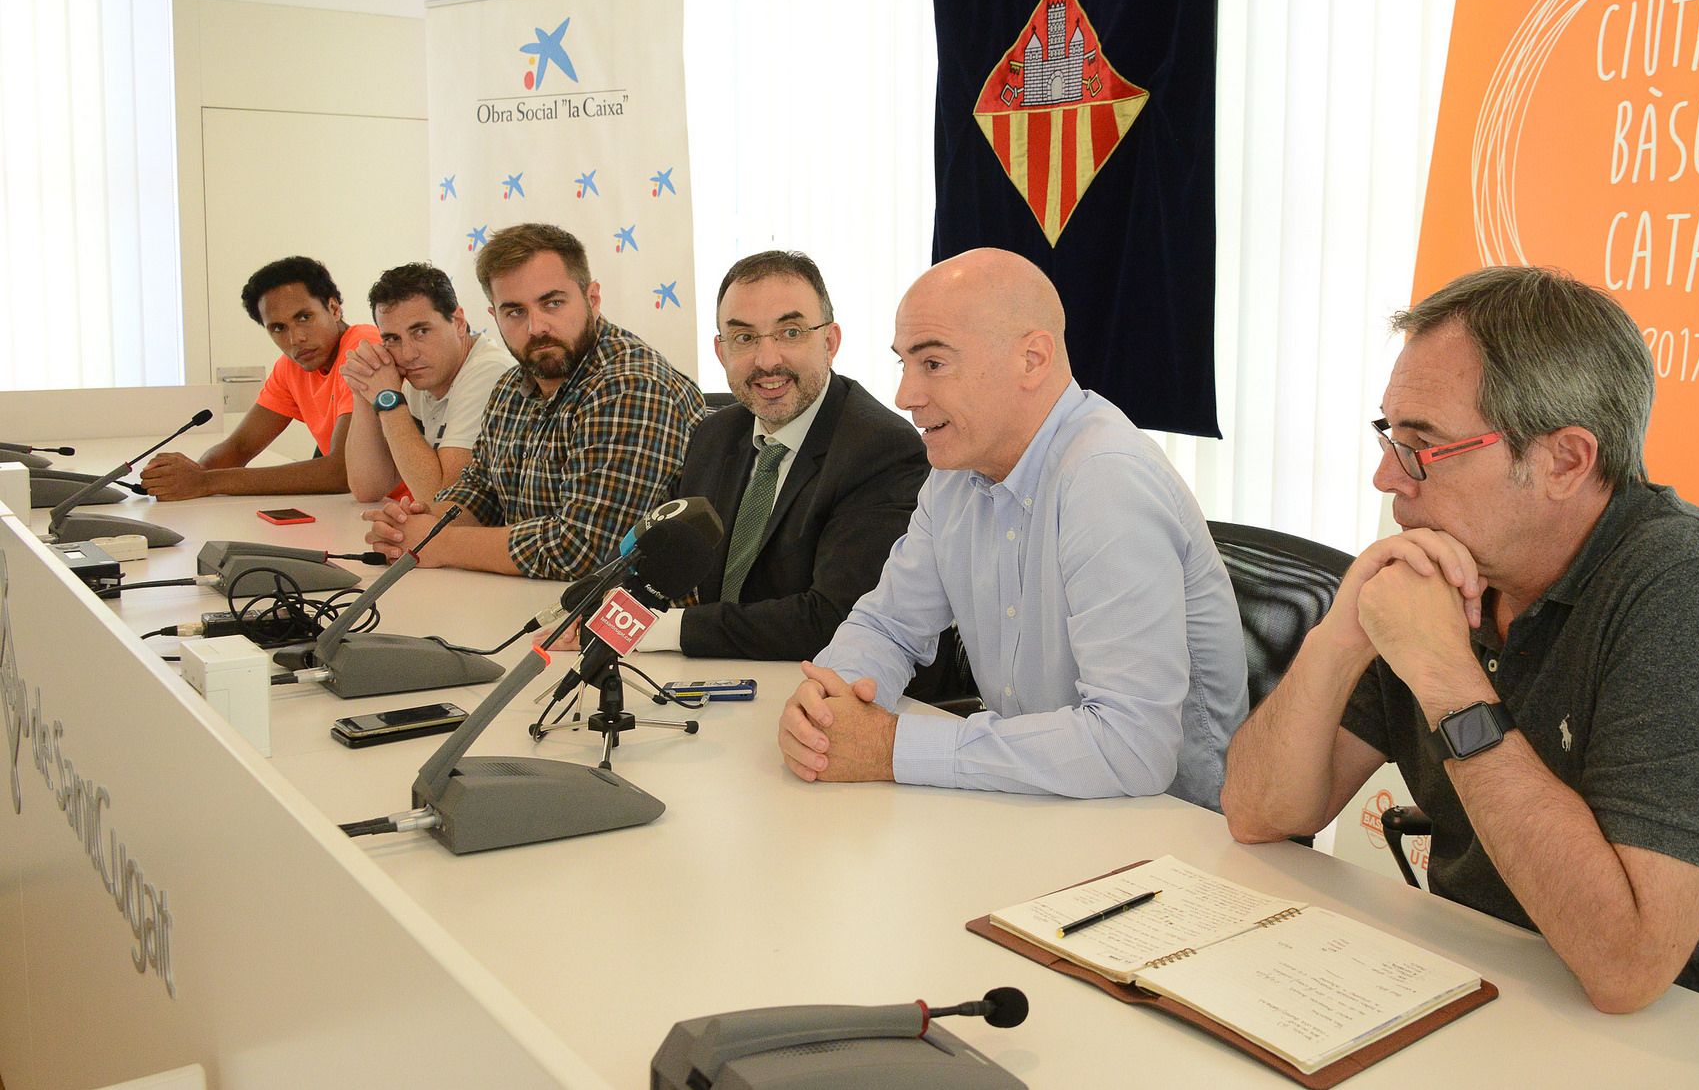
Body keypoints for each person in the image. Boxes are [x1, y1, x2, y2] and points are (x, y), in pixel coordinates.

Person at [1218, 266, 1699, 1030]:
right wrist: (1340, 635)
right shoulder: (1447, 567)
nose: (1386, 478)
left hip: (1697, 1041)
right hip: (1494, 992)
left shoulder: (1692, 598)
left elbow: (1626, 965)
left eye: (1424, 445)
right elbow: (1259, 813)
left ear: (1566, 461)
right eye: (1389, 435)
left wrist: (1448, 677)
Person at [775, 248, 1248, 809]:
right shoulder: (957, 471)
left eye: (933, 364)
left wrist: (890, 746)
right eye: (903, 363)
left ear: (1031, 360)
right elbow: (889, 626)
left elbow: (1132, 747)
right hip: (1036, 803)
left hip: (1171, 835)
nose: (905, 396)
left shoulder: (1106, 480)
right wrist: (826, 706)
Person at [361, 224, 705, 579]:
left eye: (552, 303)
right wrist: (415, 527)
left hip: (629, 621)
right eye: (515, 312)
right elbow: (481, 494)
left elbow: (584, 550)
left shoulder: (631, 386)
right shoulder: (512, 386)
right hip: (528, 602)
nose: (535, 327)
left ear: (592, 299)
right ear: (494, 316)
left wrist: (440, 544)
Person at [641, 251, 927, 660]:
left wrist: (663, 629)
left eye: (790, 333)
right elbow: (674, 572)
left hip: (825, 693)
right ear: (722, 353)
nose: (767, 360)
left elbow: (835, 620)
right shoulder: (714, 434)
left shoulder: (881, 450)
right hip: (715, 683)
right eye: (744, 338)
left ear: (830, 342)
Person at [141, 256, 376, 500]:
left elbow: (341, 472)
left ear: (333, 308)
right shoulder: (291, 366)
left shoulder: (363, 349)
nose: (296, 339)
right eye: (278, 328)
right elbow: (240, 447)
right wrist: (184, 477)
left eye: (304, 317)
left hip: (402, 510)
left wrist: (206, 481)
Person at [341, 262, 517, 504]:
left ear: (458, 323)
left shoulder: (491, 372)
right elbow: (368, 488)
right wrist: (363, 389)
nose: (408, 353)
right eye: (392, 338)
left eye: (421, 331)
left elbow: (444, 501)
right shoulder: (418, 376)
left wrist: (388, 399)